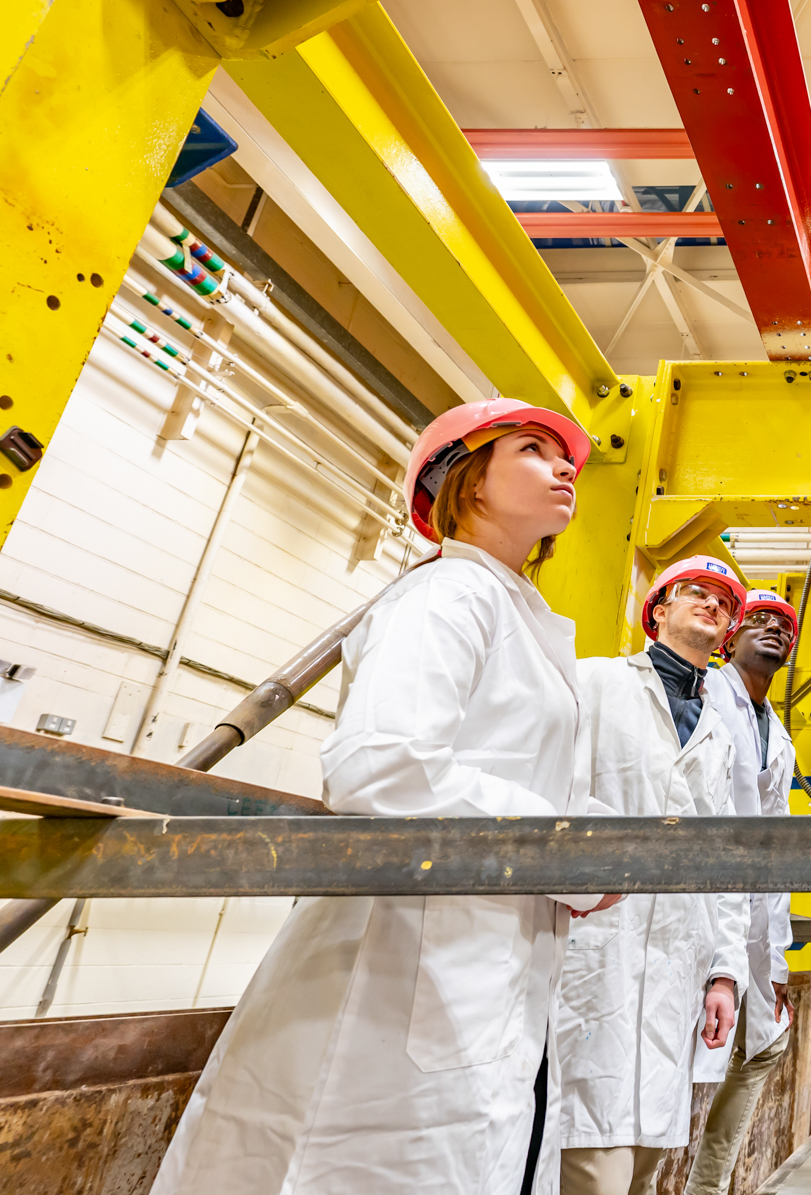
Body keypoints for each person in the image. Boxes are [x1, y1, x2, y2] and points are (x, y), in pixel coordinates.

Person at [150, 398, 611, 1195]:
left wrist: (578, 851)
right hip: (401, 966)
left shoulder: (514, 613)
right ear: (464, 481)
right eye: (534, 449)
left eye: (564, 455)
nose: (565, 465)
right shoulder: (447, 598)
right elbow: (380, 765)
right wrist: (568, 851)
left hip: (475, 960)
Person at [557, 556, 753, 1195]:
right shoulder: (594, 684)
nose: (712, 604)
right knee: (586, 1156)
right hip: (590, 949)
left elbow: (722, 858)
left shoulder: (719, 734)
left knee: (644, 1160)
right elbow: (548, 795)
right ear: (658, 608)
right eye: (696, 592)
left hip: (676, 966)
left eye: (724, 601)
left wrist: (724, 972)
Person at [685, 588, 801, 1195]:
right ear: (730, 634)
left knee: (764, 1046)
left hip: (752, 915)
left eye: (784, 625)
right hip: (698, 901)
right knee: (678, 1059)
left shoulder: (776, 733)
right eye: (758, 619)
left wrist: (774, 959)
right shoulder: (701, 694)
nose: (773, 629)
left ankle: (707, 1186)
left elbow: (774, 846)